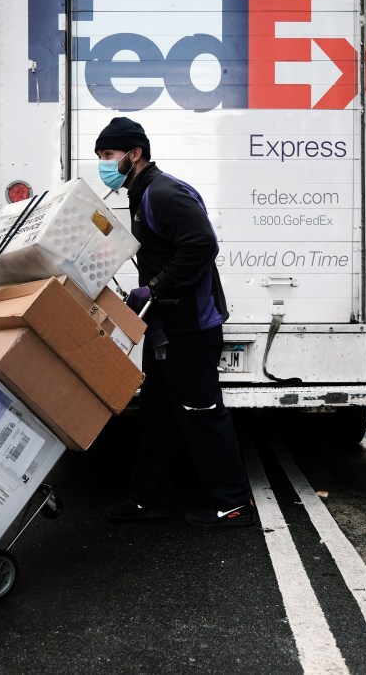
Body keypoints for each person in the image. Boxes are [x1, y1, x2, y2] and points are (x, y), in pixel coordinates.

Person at [95, 116, 254, 528]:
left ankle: (232, 502)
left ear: (136, 154)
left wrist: (157, 286)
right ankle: (151, 498)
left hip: (191, 327)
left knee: (200, 411)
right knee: (159, 413)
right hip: (166, 327)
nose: (104, 163)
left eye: (109, 155)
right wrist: (145, 291)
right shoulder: (140, 193)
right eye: (100, 156)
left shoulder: (163, 193)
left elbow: (202, 244)